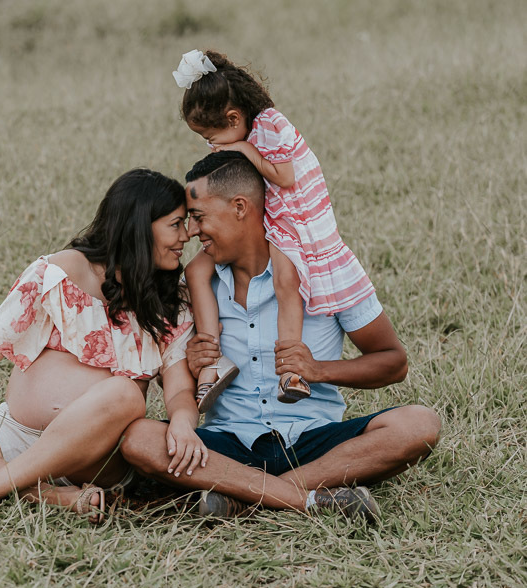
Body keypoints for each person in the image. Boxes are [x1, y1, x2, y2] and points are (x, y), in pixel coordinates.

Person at [120, 151, 441, 521]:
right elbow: (184, 393)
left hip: (314, 441)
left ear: (240, 207)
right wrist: (194, 368)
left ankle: (244, 496)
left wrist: (317, 370)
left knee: (419, 424)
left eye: (199, 217)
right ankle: (304, 498)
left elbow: (393, 362)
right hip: (228, 443)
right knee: (139, 439)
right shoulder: (194, 288)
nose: (192, 232)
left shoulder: (325, 269)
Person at [0, 168, 204, 522]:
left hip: (93, 458)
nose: (186, 235)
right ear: (140, 226)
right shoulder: (58, 274)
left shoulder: (173, 303)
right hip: (12, 432)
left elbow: (178, 391)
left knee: (125, 394)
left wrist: (184, 423)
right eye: (176, 224)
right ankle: (45, 495)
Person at [172, 49, 376, 410]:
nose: (212, 146)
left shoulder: (270, 125)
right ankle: (212, 360)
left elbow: (285, 176)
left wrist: (243, 149)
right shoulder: (243, 137)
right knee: (195, 270)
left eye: (211, 136)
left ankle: (291, 370)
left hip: (295, 221)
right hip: (271, 217)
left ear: (234, 117)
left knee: (286, 280)